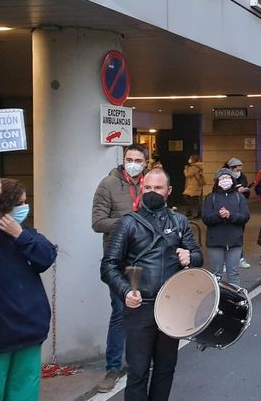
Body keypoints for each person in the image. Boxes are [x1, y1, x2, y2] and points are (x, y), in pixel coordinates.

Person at [100, 168, 203, 401]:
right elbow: (108, 266)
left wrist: (190, 257)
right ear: (141, 189)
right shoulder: (127, 224)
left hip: (171, 308)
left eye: (157, 188)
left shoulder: (179, 221)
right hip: (140, 307)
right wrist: (125, 291)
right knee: (137, 372)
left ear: (169, 191)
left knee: (166, 370)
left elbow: (197, 256)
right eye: (147, 187)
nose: (152, 192)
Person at [0, 177, 57, 401]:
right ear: (3, 206)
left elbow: (46, 256)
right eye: (19, 203)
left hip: (28, 331)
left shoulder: (23, 234)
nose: (24, 208)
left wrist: (20, 235)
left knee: (24, 392)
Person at [91, 143, 149, 392]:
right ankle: (113, 368)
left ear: (146, 162)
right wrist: (129, 223)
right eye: (129, 158)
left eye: (138, 159)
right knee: (120, 312)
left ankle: (143, 361)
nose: (133, 163)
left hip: (147, 257)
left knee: (148, 310)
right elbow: (98, 222)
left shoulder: (151, 183)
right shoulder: (108, 184)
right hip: (119, 259)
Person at [202, 168, 251, 286]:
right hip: (215, 242)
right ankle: (216, 301)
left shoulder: (240, 197)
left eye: (228, 177)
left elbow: (245, 217)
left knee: (233, 273)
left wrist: (230, 216)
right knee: (216, 274)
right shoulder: (210, 198)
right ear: (217, 181)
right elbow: (206, 218)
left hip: (234, 241)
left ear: (233, 180)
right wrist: (219, 216)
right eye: (222, 178)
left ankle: (236, 301)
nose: (225, 180)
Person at [224, 157, 252, 269]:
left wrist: (244, 191)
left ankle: (240, 258)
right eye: (237, 169)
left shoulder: (243, 176)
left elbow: (245, 188)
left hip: (240, 209)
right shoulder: (224, 177)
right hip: (227, 210)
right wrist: (236, 190)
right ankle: (226, 261)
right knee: (226, 236)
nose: (239, 172)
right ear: (231, 168)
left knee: (238, 235)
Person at [182, 154, 205, 219]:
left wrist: (185, 169)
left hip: (193, 185)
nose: (189, 159)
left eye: (190, 158)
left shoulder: (195, 167)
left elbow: (188, 174)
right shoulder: (196, 166)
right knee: (194, 198)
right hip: (193, 185)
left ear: (193, 159)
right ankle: (192, 212)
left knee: (190, 197)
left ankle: (195, 212)